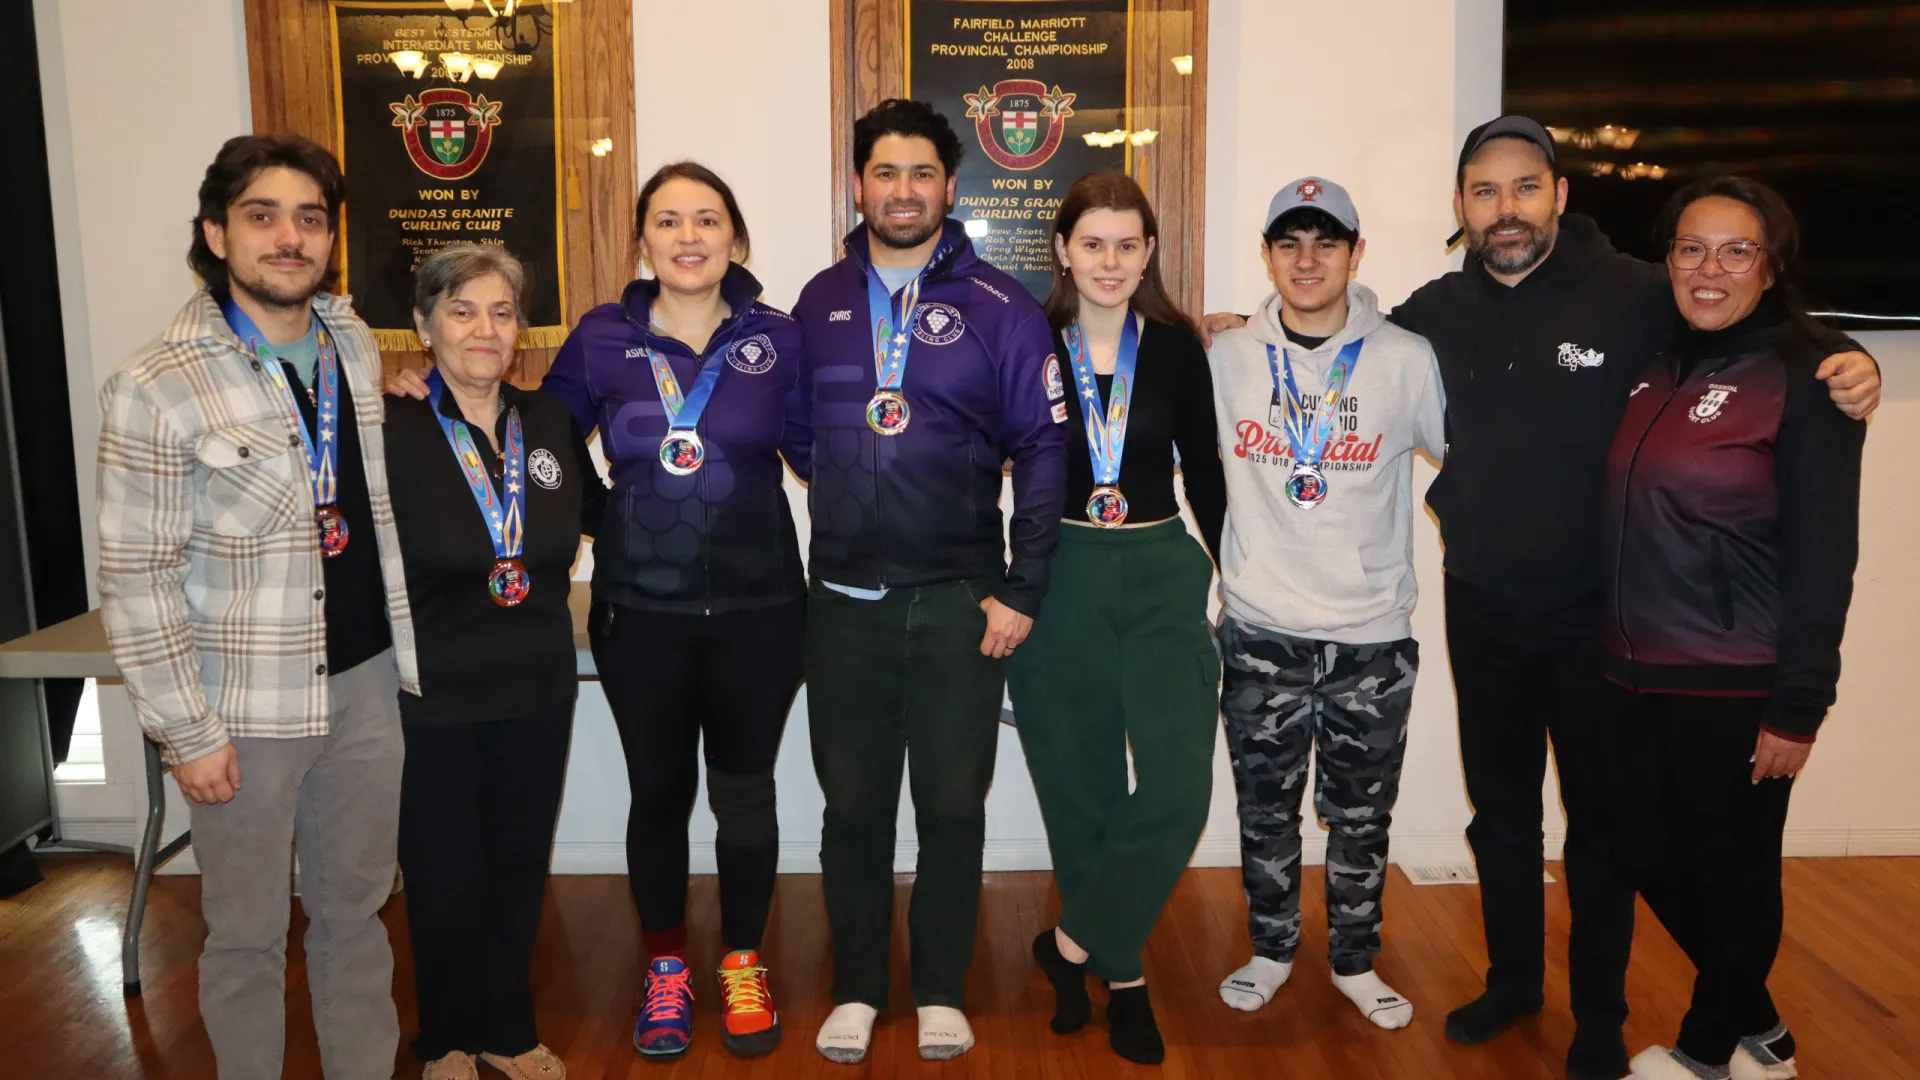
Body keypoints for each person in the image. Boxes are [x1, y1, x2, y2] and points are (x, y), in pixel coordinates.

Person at [1201, 117, 1879, 1080]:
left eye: (1524, 188)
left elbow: (1749, 321)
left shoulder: (1641, 291)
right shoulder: (1434, 311)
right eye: (1484, 192)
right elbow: (1342, 333)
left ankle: (1596, 1012)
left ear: (1559, 195)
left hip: (1603, 618)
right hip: (1480, 603)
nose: (1505, 209)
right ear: (1462, 208)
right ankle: (1513, 980)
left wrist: (1847, 359)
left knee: (1602, 827)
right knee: (1503, 813)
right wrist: (1229, 324)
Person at [397, 162, 810, 1060]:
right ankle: (667, 969)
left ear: (736, 240)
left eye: (708, 220)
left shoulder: (782, 339)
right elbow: (529, 429)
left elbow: (826, 449)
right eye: (668, 221)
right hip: (639, 611)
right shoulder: (600, 337)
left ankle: (742, 961)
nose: (689, 237)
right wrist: (414, 385)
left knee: (746, 794)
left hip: (763, 607)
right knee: (658, 793)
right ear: (643, 242)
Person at [96, 134, 418, 1079]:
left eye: (311, 218)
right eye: (263, 216)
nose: (291, 237)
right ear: (214, 233)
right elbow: (136, 577)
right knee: (244, 937)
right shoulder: (155, 386)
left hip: (365, 688)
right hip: (243, 708)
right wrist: (185, 732)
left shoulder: (352, 344)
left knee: (357, 917)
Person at [794, 98, 1067, 1064]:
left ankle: (943, 982)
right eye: (883, 172)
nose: (901, 191)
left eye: (921, 174)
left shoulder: (1004, 306)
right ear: (859, 184)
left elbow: (1043, 452)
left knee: (953, 805)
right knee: (853, 809)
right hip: (846, 608)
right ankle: (861, 986)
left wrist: (1022, 588)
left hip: (961, 603)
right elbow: (799, 433)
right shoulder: (820, 303)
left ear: (951, 188)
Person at [1602, 179, 1863, 1080]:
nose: (1708, 268)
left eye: (1735, 250)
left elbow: (1829, 554)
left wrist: (1800, 704)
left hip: (1737, 670)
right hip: (1634, 667)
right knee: (1637, 844)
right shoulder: (1656, 354)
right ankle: (1760, 1023)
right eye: (1689, 248)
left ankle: (1710, 1051)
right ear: (1665, 260)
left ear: (1772, 263)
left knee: (1736, 869)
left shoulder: (1811, 373)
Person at [1205, 178, 1445, 1032]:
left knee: (1360, 817)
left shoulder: (1406, 358)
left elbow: (1471, 463)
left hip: (1370, 638)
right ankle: (1271, 951)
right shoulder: (1225, 357)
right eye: (1289, 243)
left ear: (1356, 253)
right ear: (1267, 255)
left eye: (1326, 242)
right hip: (1261, 632)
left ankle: (1354, 959)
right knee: (1265, 811)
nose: (1307, 261)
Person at [1012, 172, 1225, 1066]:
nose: (1110, 261)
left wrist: (1235, 575)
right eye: (1092, 243)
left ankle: (1069, 944)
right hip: (1060, 578)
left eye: (1127, 244)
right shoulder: (1023, 342)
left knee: (1178, 791)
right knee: (1083, 794)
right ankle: (1124, 977)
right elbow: (988, 459)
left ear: (1148, 253)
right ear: (1063, 250)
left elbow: (1207, 472)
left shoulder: (1175, 347)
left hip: (1159, 569)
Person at [382, 244, 604, 1080]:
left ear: (521, 329)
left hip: (538, 687)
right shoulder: (390, 427)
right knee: (442, 876)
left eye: (502, 311)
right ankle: (443, 1036)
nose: (484, 328)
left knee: (517, 866)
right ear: (424, 325)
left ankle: (508, 1031)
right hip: (429, 694)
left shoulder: (546, 422)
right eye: (462, 310)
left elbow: (605, 513)